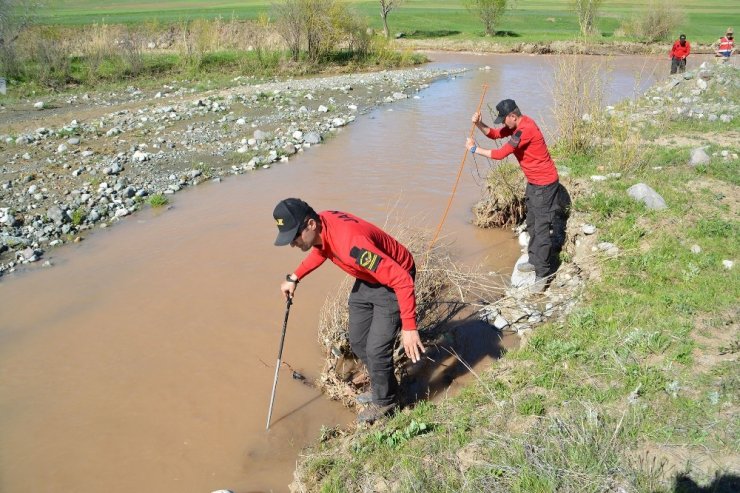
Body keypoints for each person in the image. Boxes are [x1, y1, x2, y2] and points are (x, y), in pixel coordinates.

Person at [273, 198, 425, 424]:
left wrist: (410, 327)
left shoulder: (352, 246)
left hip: (394, 280)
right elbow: (321, 250)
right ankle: (382, 384)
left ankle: (386, 404)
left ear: (311, 225)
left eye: (294, 237)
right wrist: (295, 277)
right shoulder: (322, 223)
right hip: (368, 278)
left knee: (376, 349)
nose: (292, 244)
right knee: (358, 339)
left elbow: (401, 279)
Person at [465, 99, 570, 293]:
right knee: (531, 223)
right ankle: (533, 259)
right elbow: (495, 134)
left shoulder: (525, 130)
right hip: (534, 183)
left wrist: (474, 149)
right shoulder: (515, 127)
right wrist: (479, 124)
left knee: (541, 228)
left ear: (513, 116)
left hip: (545, 185)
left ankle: (543, 273)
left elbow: (500, 154)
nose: (503, 124)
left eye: (504, 120)